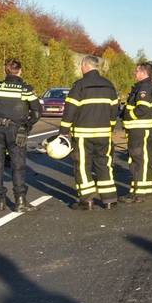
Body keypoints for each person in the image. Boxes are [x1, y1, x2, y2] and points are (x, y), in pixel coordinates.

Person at [60, 55, 120, 210]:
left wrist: (63, 132)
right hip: (104, 134)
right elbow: (115, 111)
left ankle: (87, 200)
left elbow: (70, 111)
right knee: (104, 164)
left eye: (81, 66)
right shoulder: (109, 86)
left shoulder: (79, 85)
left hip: (83, 134)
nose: (81, 68)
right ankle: (110, 199)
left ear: (85, 66)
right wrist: (110, 127)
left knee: (82, 165)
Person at [0, 59, 41, 211]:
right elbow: (36, 112)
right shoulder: (25, 89)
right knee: (18, 165)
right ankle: (20, 201)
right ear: (20, 71)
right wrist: (26, 127)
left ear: (5, 70)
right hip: (17, 130)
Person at [121, 63, 152, 202]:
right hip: (146, 128)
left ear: (143, 73)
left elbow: (142, 109)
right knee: (145, 158)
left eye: (136, 71)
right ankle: (144, 188)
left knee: (137, 159)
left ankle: (138, 193)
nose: (135, 74)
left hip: (139, 128)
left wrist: (128, 114)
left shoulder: (144, 88)